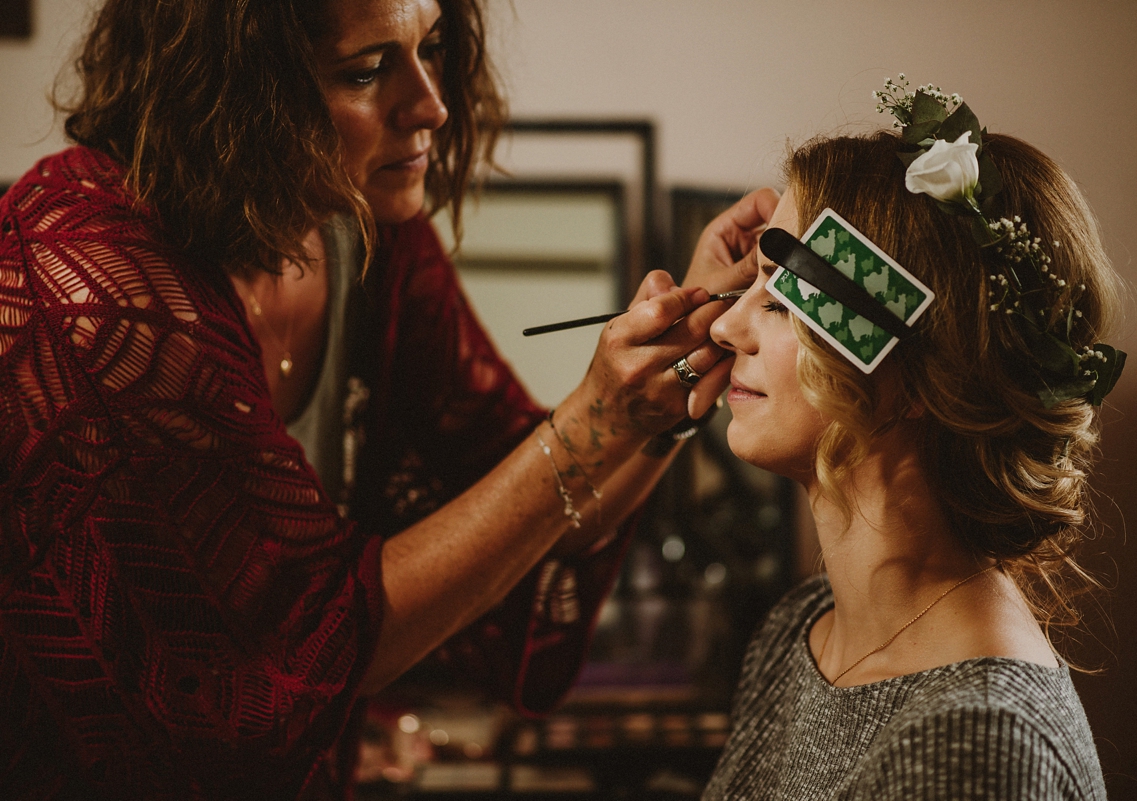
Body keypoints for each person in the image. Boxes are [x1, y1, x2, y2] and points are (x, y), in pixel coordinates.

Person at [0, 0, 777, 798]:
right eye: (366, 70)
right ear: (231, 88)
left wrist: (688, 343)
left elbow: (537, 506)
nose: (432, 103)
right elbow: (299, 646)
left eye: (431, 48)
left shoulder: (357, 227)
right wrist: (594, 421)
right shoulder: (92, 291)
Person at [701, 81, 1122, 800]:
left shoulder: (977, 747)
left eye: (778, 297)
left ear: (918, 374)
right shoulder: (799, 632)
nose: (724, 327)